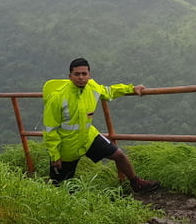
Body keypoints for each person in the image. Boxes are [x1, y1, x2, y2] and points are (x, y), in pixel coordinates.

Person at [43, 57, 160, 193]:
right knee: (59, 188)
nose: (81, 77)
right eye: (77, 74)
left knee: (119, 154)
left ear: (89, 75)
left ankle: (137, 183)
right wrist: (54, 154)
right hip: (66, 147)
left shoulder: (92, 87)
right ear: (70, 76)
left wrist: (132, 89)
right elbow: (50, 129)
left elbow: (109, 91)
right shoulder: (58, 97)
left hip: (88, 138)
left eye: (84, 74)